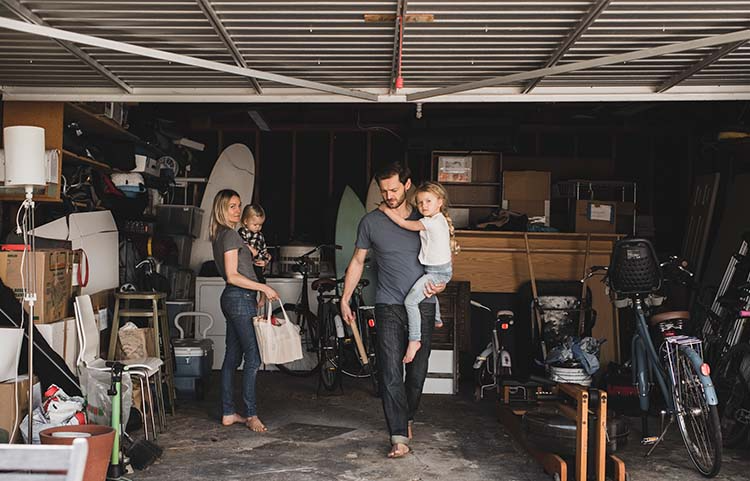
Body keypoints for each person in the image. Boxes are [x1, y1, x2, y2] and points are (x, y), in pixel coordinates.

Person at [340, 163, 446, 459]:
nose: (389, 195)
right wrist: (345, 298)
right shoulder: (371, 222)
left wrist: (441, 285)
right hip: (387, 304)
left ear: (407, 185)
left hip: (423, 304)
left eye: (394, 190)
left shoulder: (426, 217)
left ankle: (407, 415)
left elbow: (443, 257)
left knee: (417, 372)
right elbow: (357, 261)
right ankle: (398, 435)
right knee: (389, 369)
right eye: (384, 191)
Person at [210, 189, 279, 433]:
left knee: (232, 357)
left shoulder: (222, 235)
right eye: (232, 206)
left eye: (239, 205)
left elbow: (242, 267)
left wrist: (256, 264)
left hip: (236, 298)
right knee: (253, 356)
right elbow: (232, 275)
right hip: (238, 298)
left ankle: (229, 412)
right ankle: (250, 414)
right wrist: (263, 287)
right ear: (221, 209)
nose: (238, 210)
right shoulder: (229, 234)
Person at [378, 181, 458, 364]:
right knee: (426, 289)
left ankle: (415, 340)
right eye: (420, 203)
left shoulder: (430, 222)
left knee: (411, 301)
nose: (423, 206)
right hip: (437, 270)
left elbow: (404, 224)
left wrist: (386, 210)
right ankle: (437, 318)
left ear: (440, 202)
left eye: (428, 201)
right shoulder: (439, 219)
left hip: (437, 272)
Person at [238, 204, 272, 284]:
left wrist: (266, 259)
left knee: (261, 281)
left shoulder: (260, 235)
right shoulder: (242, 231)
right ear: (246, 221)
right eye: (255, 225)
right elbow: (240, 242)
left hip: (257, 263)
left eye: (260, 225)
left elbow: (263, 249)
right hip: (245, 264)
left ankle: (263, 295)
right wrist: (250, 248)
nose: (258, 227)